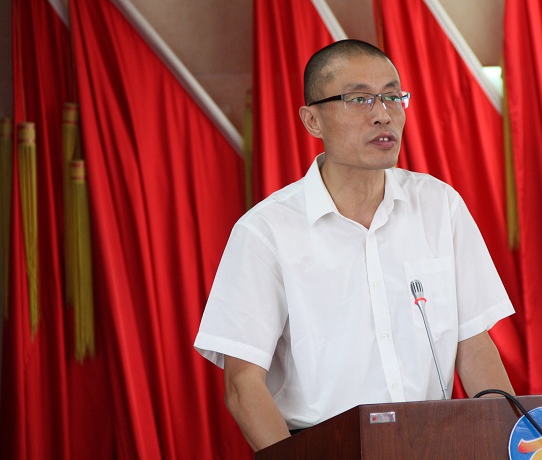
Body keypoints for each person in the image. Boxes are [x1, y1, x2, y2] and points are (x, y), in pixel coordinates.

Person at [194, 39, 515, 451]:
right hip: (322, 447)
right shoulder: (266, 231)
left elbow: (473, 345)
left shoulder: (439, 206)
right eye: (360, 99)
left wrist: (507, 444)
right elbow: (243, 385)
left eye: (392, 96)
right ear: (313, 120)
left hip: (435, 440)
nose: (383, 114)